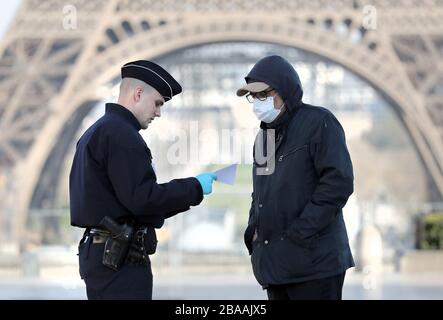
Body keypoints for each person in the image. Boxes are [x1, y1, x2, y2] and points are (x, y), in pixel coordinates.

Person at [69, 60, 216, 300]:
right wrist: (194, 187)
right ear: (138, 93)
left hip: (103, 255)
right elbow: (143, 199)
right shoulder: (121, 135)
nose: (159, 112)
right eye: (157, 103)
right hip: (120, 260)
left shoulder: (96, 131)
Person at [237, 55, 355, 300]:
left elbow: (338, 184)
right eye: (253, 96)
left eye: (263, 94)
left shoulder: (319, 122)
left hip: (314, 265)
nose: (257, 102)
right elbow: (259, 195)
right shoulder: (264, 139)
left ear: (284, 90)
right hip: (277, 267)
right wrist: (253, 232)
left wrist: (298, 234)